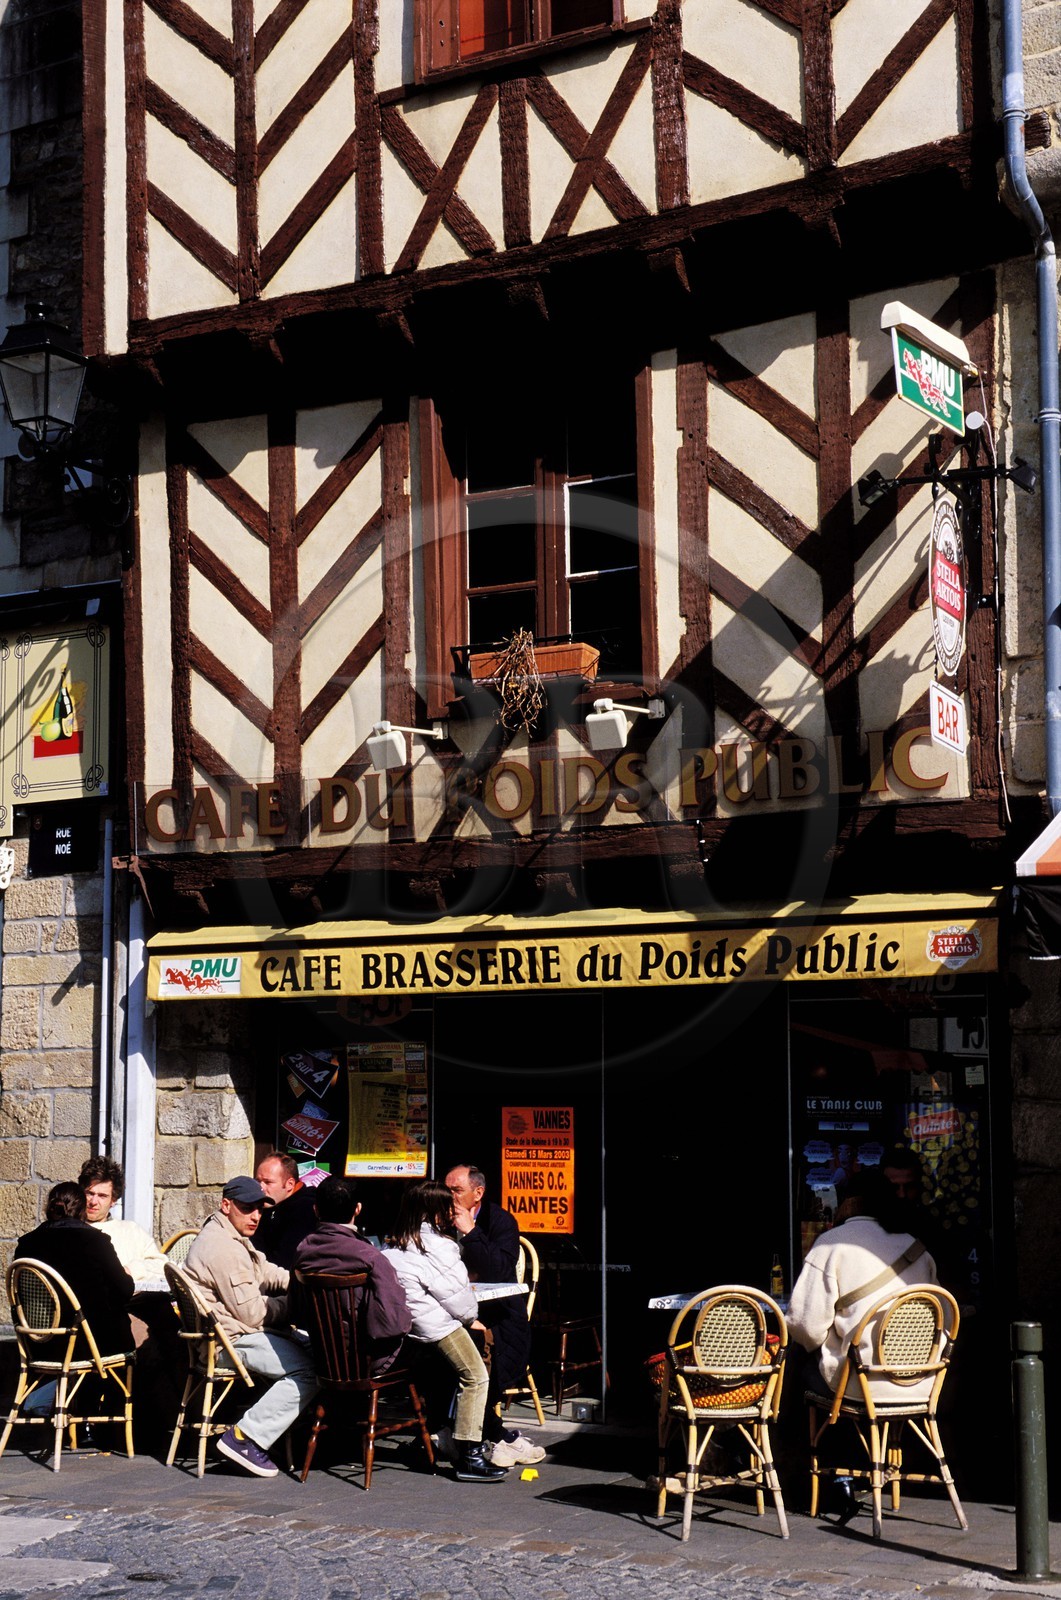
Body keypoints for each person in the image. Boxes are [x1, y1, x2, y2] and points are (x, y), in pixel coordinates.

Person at [184, 1175, 319, 1478]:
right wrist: (296, 1303)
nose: (256, 1216)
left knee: (315, 1352)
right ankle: (245, 1438)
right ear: (226, 1205)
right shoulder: (221, 1248)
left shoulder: (230, 1233)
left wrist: (297, 1281)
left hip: (232, 1332)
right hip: (229, 1341)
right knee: (309, 1371)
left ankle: (284, 1434)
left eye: (259, 1208)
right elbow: (253, 1314)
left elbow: (263, 1270)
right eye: (247, 1208)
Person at [384, 1179, 506, 1482]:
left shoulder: (392, 1244)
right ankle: (470, 1455)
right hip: (435, 1327)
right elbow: (460, 1300)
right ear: (436, 1212)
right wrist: (470, 1318)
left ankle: (450, 1437)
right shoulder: (441, 1246)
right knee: (476, 1376)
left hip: (405, 1330)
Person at [787, 1168, 938, 1402]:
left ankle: (790, 1425)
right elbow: (944, 1317)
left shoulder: (829, 1245)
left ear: (848, 1202)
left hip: (858, 1385)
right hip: (921, 1384)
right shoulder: (916, 1248)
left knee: (795, 1360)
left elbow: (805, 1327)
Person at [445, 1163, 544, 1468]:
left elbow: (499, 1271)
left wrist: (472, 1233)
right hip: (453, 1310)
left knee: (483, 1350)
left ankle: (489, 1435)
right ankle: (494, 1436)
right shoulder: (438, 1218)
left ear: (478, 1193)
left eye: (456, 1190)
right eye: (446, 1190)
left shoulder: (500, 1221)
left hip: (497, 1313)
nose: (449, 1197)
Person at [14, 1182, 135, 1420]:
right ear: (82, 1210)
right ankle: (104, 1420)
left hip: (38, 1343)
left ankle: (71, 1410)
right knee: (116, 1331)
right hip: (87, 1345)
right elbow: (124, 1291)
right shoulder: (96, 1241)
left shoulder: (26, 1244)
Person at [291, 1175, 412, 1375]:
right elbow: (393, 1323)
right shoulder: (370, 1256)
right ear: (358, 1209)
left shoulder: (303, 1251)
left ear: (316, 1210)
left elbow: (296, 1310)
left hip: (323, 1358)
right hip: (366, 1361)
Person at [79, 1155, 168, 1284]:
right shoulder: (69, 1230)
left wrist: (131, 1271)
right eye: (90, 1193)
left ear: (113, 1200)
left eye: (102, 1196)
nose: (93, 1202)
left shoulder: (132, 1230)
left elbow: (161, 1266)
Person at [253, 1152, 319, 1270]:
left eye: (268, 1182)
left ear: (290, 1184)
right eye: (258, 1181)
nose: (260, 1188)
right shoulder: (269, 1205)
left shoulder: (305, 1210)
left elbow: (284, 1261)